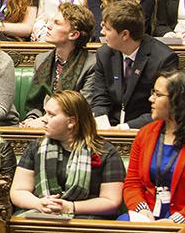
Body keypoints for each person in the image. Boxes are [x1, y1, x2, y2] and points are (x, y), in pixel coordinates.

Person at [10, 90, 125, 219]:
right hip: (41, 214)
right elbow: (18, 191)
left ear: (71, 122)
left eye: (51, 115)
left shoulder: (105, 152)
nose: (44, 120)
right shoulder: (36, 147)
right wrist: (39, 203)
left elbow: (111, 201)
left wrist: (70, 207)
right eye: (45, 113)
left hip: (87, 220)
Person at [123, 70, 185, 223]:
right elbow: (132, 183)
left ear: (179, 101)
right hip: (148, 216)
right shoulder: (145, 134)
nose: (150, 99)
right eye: (153, 92)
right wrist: (142, 209)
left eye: (158, 95)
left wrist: (177, 220)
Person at [93, 1, 179, 129]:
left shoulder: (164, 58)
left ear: (125, 35)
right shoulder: (104, 54)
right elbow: (100, 97)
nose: (102, 32)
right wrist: (102, 125)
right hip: (110, 127)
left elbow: (164, 106)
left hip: (145, 129)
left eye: (107, 28)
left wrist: (125, 127)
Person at [22, 3, 97, 127]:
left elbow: (82, 108)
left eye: (57, 23)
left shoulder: (91, 65)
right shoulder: (41, 60)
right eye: (51, 21)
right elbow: (36, 103)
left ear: (73, 34)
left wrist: (46, 120)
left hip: (72, 129)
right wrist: (32, 119)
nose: (49, 26)